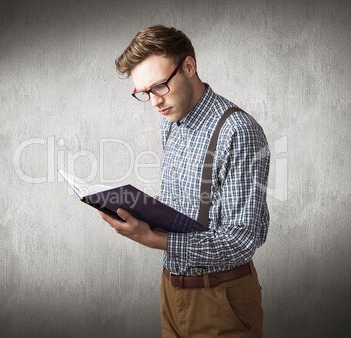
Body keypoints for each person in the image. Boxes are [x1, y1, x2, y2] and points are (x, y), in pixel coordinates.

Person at [99, 25, 270, 337]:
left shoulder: (238, 132)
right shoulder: (171, 123)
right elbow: (185, 209)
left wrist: (153, 239)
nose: (154, 102)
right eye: (143, 93)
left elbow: (242, 241)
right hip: (171, 289)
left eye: (159, 86)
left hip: (221, 298)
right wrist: (140, 215)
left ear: (189, 67)